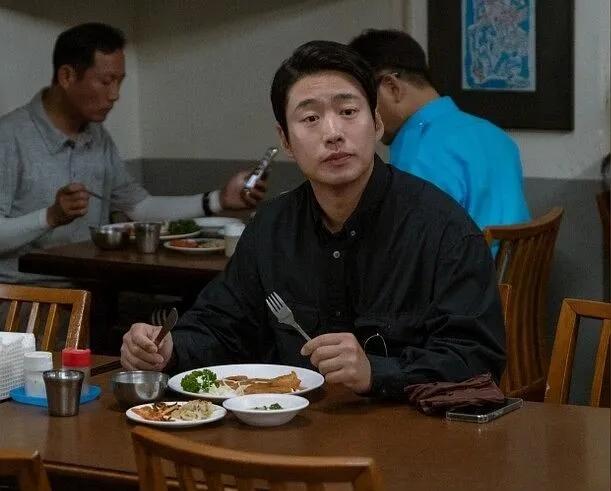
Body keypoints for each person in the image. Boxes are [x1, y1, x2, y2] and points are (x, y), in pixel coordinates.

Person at [120, 40, 505, 398]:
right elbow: (222, 325)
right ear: (285, 140)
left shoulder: (442, 228)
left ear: (376, 122)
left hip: (406, 436)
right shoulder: (271, 228)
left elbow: (477, 358)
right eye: (310, 118)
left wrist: (377, 371)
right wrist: (168, 348)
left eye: (348, 112)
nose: (333, 133)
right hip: (289, 433)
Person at [0, 23, 265, 284]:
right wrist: (50, 216)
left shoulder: (96, 136)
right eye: (106, 82)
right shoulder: (9, 136)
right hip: (26, 296)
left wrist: (219, 199)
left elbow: (139, 208)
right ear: (67, 76)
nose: (115, 95)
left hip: (91, 286)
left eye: (120, 82)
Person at [349, 29, 530, 234]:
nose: (363, 119)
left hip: (462, 255)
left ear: (392, 87)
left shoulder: (417, 154)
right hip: (510, 256)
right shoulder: (496, 135)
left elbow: (412, 245)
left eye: (361, 102)